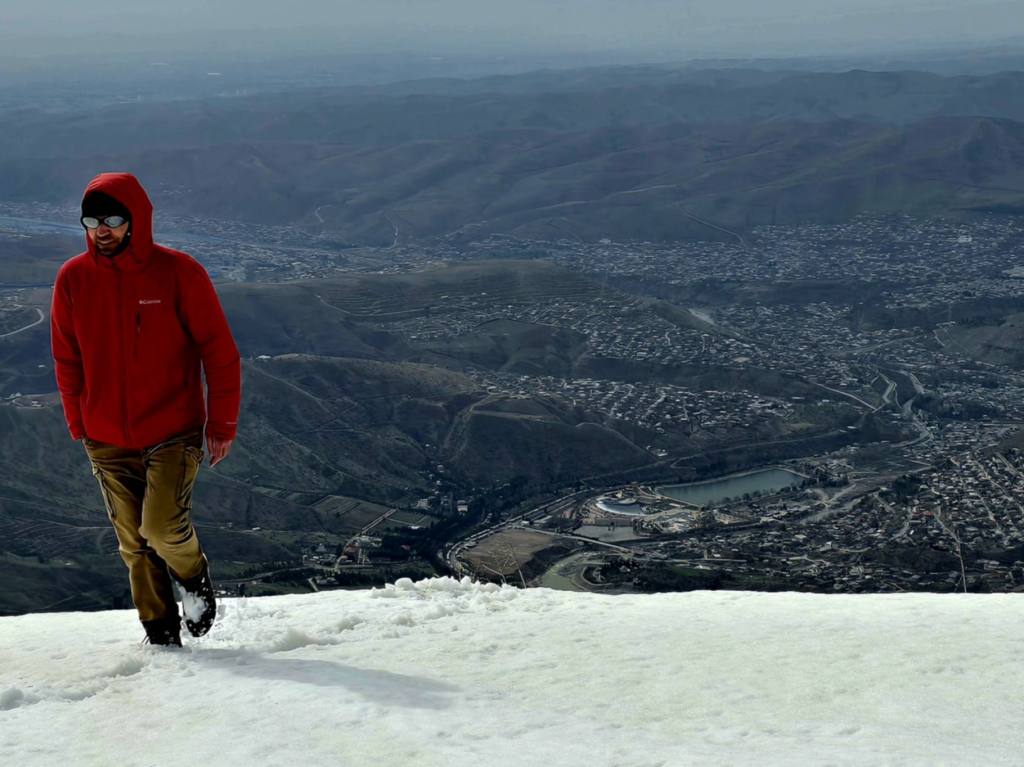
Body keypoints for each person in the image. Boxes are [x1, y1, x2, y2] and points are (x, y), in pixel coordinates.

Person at [50, 172, 242, 647]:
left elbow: (219, 352)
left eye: (113, 220)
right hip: (104, 436)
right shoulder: (73, 277)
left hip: (172, 428)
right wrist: (78, 421)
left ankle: (192, 576)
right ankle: (160, 635)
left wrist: (222, 424)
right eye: (92, 221)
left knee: (160, 527)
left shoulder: (179, 273)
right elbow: (66, 356)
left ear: (136, 220)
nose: (102, 230)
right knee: (133, 544)